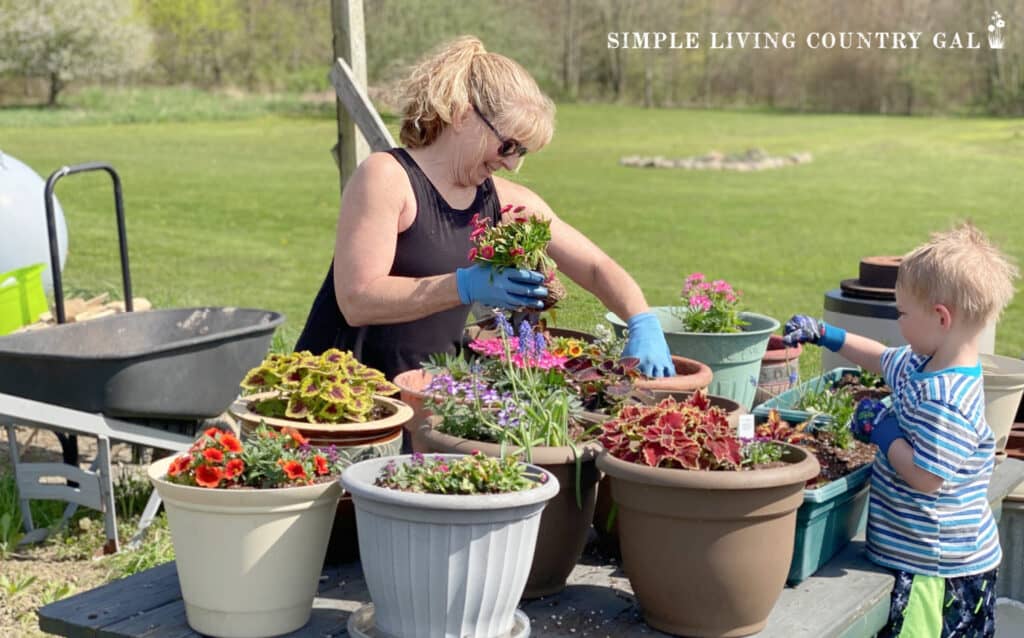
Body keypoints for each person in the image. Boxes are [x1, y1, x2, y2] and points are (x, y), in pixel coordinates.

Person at [295, 36, 674, 380]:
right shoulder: (387, 178)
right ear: (463, 115)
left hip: (426, 397)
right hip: (340, 399)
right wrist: (465, 285)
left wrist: (642, 321)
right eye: (508, 146)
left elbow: (595, 267)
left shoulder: (506, 201)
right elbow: (357, 301)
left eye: (522, 153)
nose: (512, 164)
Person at [783, 222, 1018, 637]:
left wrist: (883, 430)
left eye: (903, 313)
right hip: (917, 557)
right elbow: (880, 357)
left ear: (941, 318)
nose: (898, 322)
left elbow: (926, 477)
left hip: (938, 573)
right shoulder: (921, 362)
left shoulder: (947, 398)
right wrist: (827, 334)